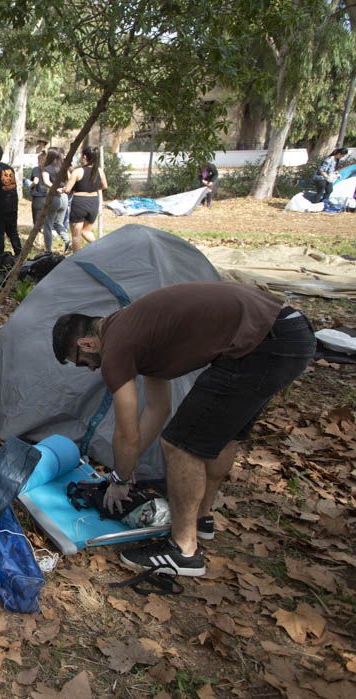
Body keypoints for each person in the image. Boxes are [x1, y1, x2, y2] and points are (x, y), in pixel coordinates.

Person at [51, 282, 315, 576]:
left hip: (263, 343)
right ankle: (202, 519)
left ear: (86, 344)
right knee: (222, 435)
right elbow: (157, 408)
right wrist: (130, 462)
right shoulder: (132, 327)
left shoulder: (115, 348)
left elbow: (127, 433)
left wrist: (120, 479)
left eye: (81, 363)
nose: (89, 369)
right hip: (286, 332)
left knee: (179, 446)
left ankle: (183, 550)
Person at [62, 146, 108, 252]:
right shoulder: (100, 171)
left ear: (85, 156)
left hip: (80, 202)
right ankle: (102, 250)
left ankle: (76, 260)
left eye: (81, 155)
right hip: (94, 202)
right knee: (86, 231)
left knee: (76, 234)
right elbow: (105, 186)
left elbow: (68, 189)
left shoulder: (78, 171)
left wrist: (63, 189)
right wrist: (94, 188)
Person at [38, 148, 70, 252]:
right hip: (64, 198)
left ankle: (48, 250)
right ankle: (68, 241)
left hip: (54, 197)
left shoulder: (46, 168)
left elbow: (47, 182)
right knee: (58, 223)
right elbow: (69, 179)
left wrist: (55, 188)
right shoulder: (64, 168)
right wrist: (64, 188)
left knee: (48, 224)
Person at [29, 151, 49, 249]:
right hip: (48, 197)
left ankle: (38, 241)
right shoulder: (50, 169)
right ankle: (45, 241)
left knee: (36, 220)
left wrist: (30, 185)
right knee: (44, 220)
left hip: (38, 197)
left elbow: (35, 181)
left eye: (39, 159)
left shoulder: (37, 169)